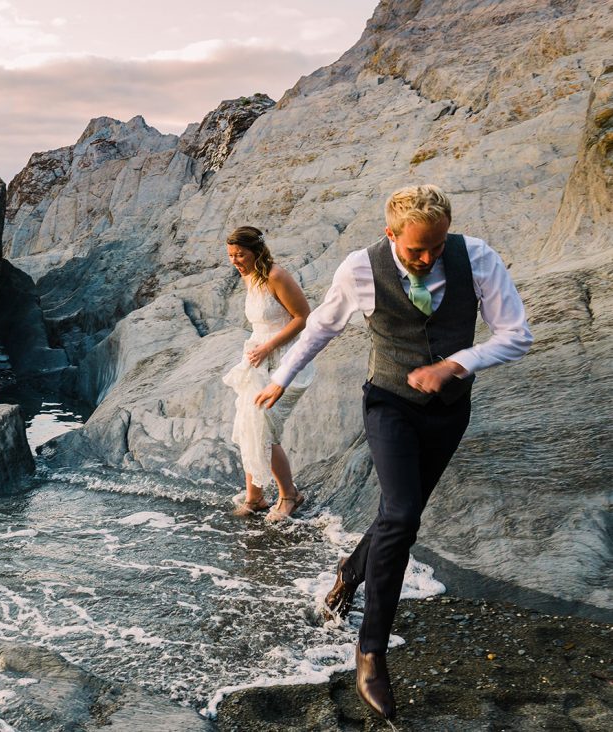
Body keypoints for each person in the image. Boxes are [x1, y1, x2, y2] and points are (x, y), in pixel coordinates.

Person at [254, 185, 532, 719]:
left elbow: (517, 335)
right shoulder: (359, 269)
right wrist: (283, 378)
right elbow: (320, 328)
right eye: (415, 251)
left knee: (399, 516)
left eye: (436, 247)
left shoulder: (477, 257)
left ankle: (348, 571)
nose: (427, 259)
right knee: (402, 514)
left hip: (449, 409)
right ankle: (371, 652)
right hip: (389, 405)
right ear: (391, 235)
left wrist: (456, 364)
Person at [221, 226, 314, 522]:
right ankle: (255, 497)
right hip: (259, 359)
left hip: (286, 360)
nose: (235, 261)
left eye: (240, 254)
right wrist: (258, 350)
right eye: (231, 256)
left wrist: (268, 347)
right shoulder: (248, 275)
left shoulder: (276, 275)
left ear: (256, 251)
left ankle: (290, 495)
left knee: (264, 426)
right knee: (249, 423)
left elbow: (303, 317)